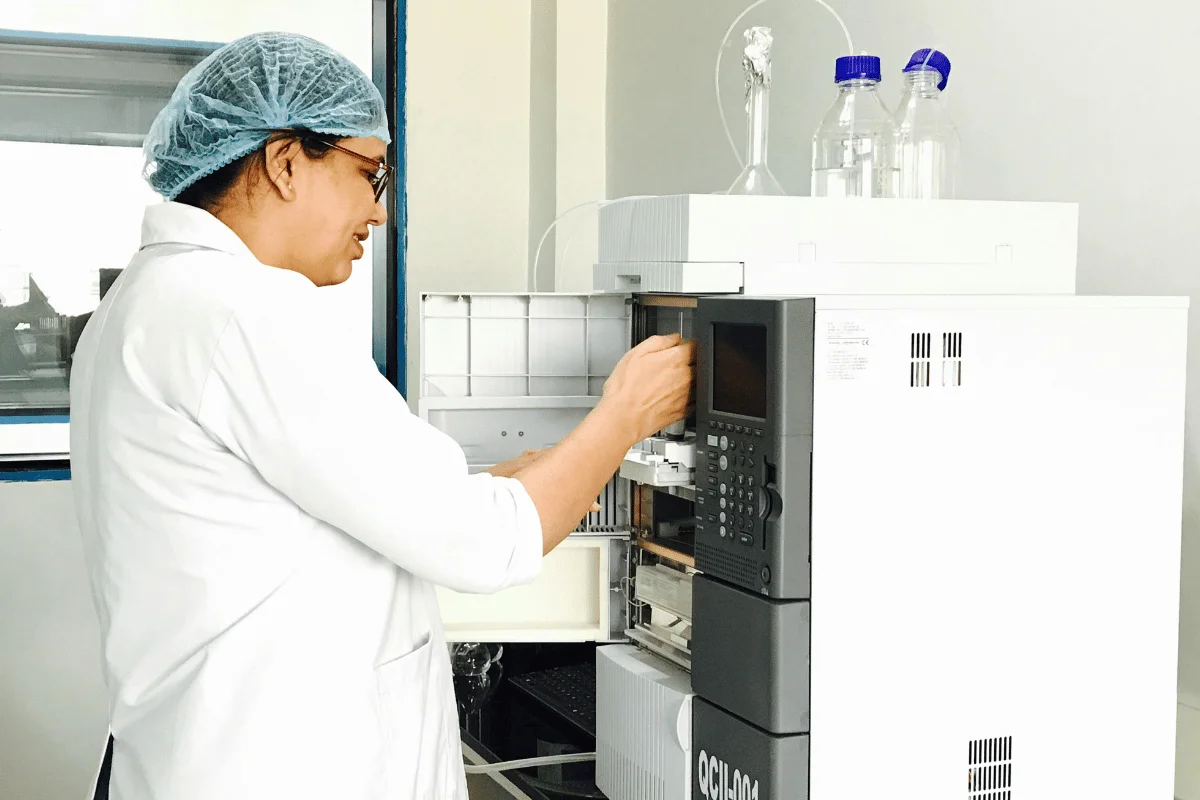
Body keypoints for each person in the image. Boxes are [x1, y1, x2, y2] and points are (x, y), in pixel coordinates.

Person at [70, 32, 694, 800]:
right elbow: (482, 545)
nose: (379, 209)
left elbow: (288, 507)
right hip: (276, 767)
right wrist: (624, 415)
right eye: (370, 173)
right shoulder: (244, 315)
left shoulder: (148, 305)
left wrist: (492, 482)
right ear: (284, 161)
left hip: (199, 749)